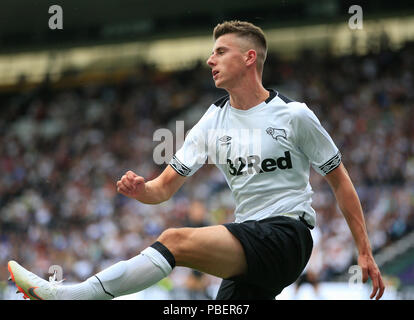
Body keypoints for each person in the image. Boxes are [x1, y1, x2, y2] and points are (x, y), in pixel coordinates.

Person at [7, 20, 385, 300]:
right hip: (249, 244)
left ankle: (72, 296)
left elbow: (340, 180)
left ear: (249, 57)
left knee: (175, 239)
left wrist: (364, 251)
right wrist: (143, 189)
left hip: (286, 237)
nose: (210, 60)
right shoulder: (212, 120)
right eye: (212, 52)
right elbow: (163, 189)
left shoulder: (294, 115)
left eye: (221, 51)